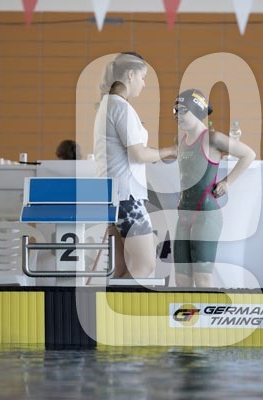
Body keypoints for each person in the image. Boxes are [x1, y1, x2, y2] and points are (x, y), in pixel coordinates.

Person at [93, 52, 177, 279]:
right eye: (143, 77)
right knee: (144, 265)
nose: (144, 83)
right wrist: (171, 150)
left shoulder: (107, 105)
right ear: (130, 75)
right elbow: (139, 154)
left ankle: (110, 304)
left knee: (121, 270)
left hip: (114, 197)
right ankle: (117, 303)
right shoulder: (120, 107)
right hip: (127, 198)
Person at [173, 89, 255, 287]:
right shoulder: (180, 140)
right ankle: (186, 310)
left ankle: (207, 310)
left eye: (183, 110)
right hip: (183, 215)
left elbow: (249, 154)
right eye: (175, 111)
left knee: (202, 277)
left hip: (206, 214)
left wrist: (227, 182)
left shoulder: (213, 138)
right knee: (181, 280)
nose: (177, 115)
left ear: (197, 111)